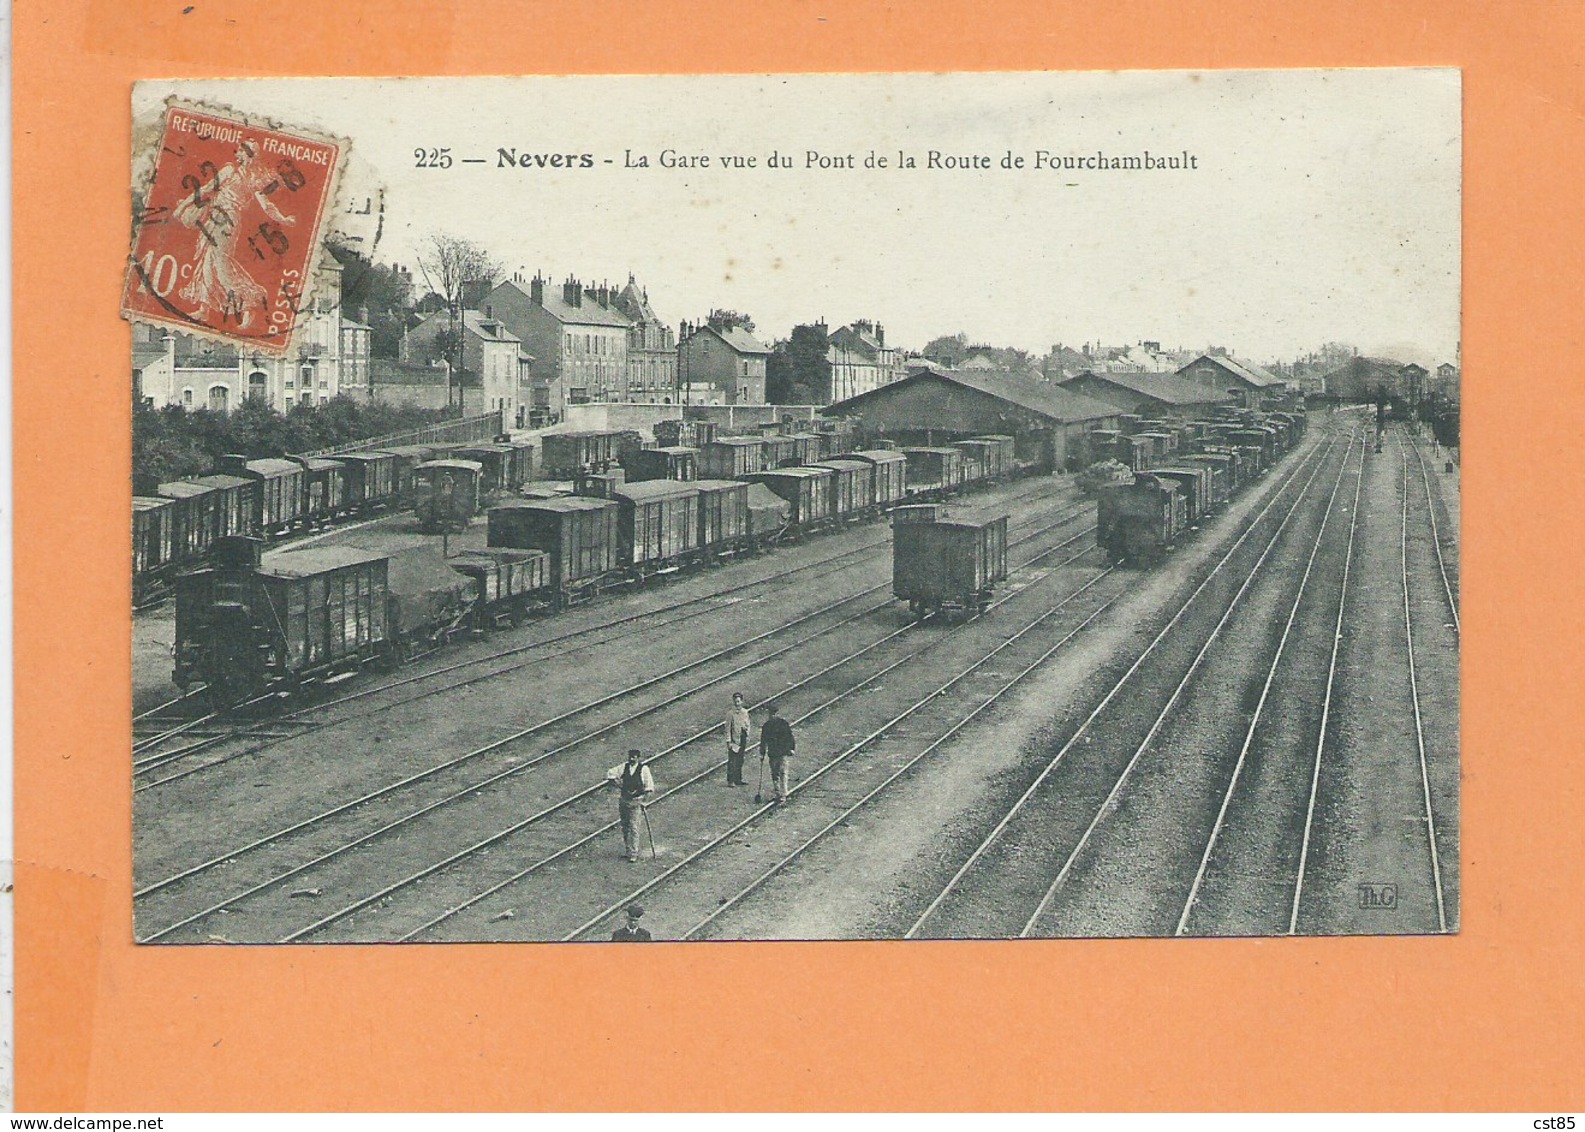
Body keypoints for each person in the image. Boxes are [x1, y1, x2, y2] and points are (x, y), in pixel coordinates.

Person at [605, 749, 655, 862]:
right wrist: (618, 784)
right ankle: (628, 851)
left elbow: (649, 787)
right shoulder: (624, 767)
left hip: (636, 801)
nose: (632, 759)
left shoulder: (644, 769)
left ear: (638, 758)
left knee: (634, 827)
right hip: (624, 800)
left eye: (634, 757)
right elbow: (610, 773)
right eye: (630, 757)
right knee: (625, 826)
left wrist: (644, 801)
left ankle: (634, 852)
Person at [760, 703, 796, 804]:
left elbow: (790, 737)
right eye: (771, 714)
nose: (772, 716)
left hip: (780, 753)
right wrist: (762, 753)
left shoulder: (778, 724)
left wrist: (791, 748)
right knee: (778, 773)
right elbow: (763, 741)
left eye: (773, 714)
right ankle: (779, 793)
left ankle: (782, 794)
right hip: (775, 753)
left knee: (780, 773)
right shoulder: (770, 725)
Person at [724, 691, 752, 786]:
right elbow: (727, 728)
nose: (737, 703)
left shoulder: (745, 712)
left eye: (739, 701)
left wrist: (747, 733)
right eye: (735, 701)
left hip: (742, 738)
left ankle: (738, 779)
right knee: (732, 760)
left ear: (742, 702)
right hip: (734, 739)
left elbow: (748, 724)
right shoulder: (730, 714)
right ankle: (730, 780)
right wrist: (728, 741)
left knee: (740, 760)